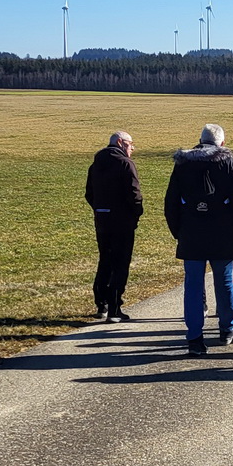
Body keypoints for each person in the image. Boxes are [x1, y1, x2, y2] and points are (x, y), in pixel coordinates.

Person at [165, 124, 233, 355]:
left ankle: (194, 337)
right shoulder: (229, 163)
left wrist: (178, 232)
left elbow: (170, 202)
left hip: (191, 234)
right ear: (222, 143)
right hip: (223, 234)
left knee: (193, 286)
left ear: (199, 140)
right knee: (225, 283)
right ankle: (227, 328)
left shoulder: (182, 164)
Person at [84, 130, 143, 323]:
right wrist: (135, 213)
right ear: (120, 142)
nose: (132, 147)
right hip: (122, 222)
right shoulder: (126, 164)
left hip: (102, 219)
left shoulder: (96, 164)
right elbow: (134, 194)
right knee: (120, 263)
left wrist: (100, 209)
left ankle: (102, 304)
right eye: (130, 143)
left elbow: (89, 193)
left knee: (105, 260)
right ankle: (115, 307)